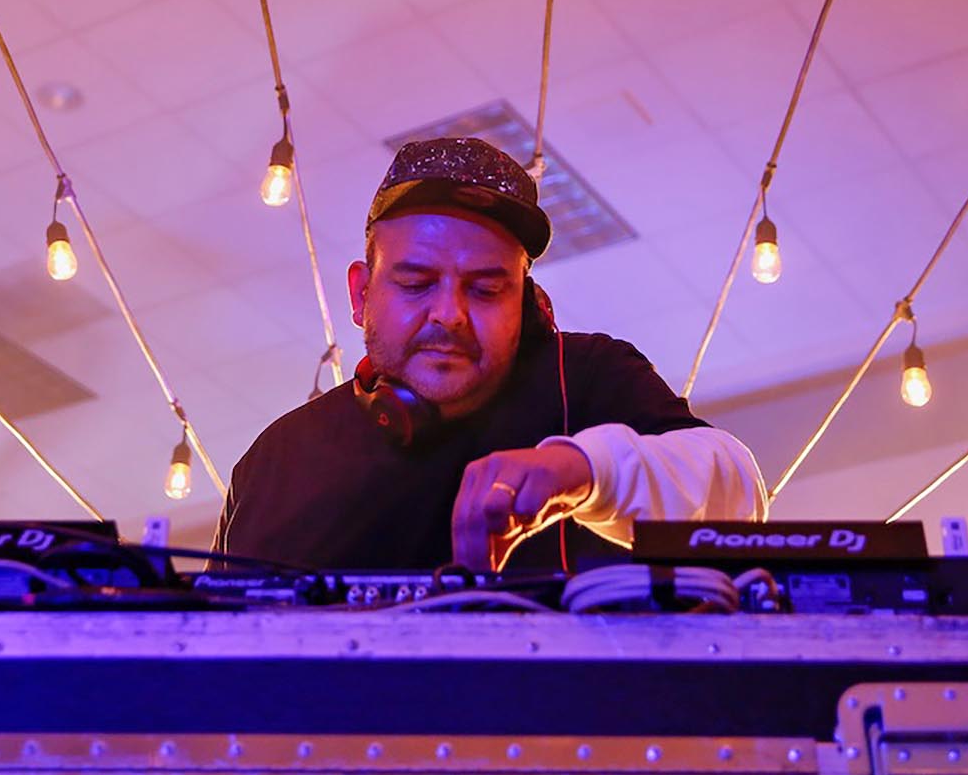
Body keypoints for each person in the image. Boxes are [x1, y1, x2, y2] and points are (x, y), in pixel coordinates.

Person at [214, 137, 766, 572]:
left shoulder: (589, 378)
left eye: (484, 289)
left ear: (526, 304)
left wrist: (583, 471)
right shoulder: (276, 461)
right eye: (415, 283)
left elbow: (737, 498)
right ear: (362, 296)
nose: (449, 314)